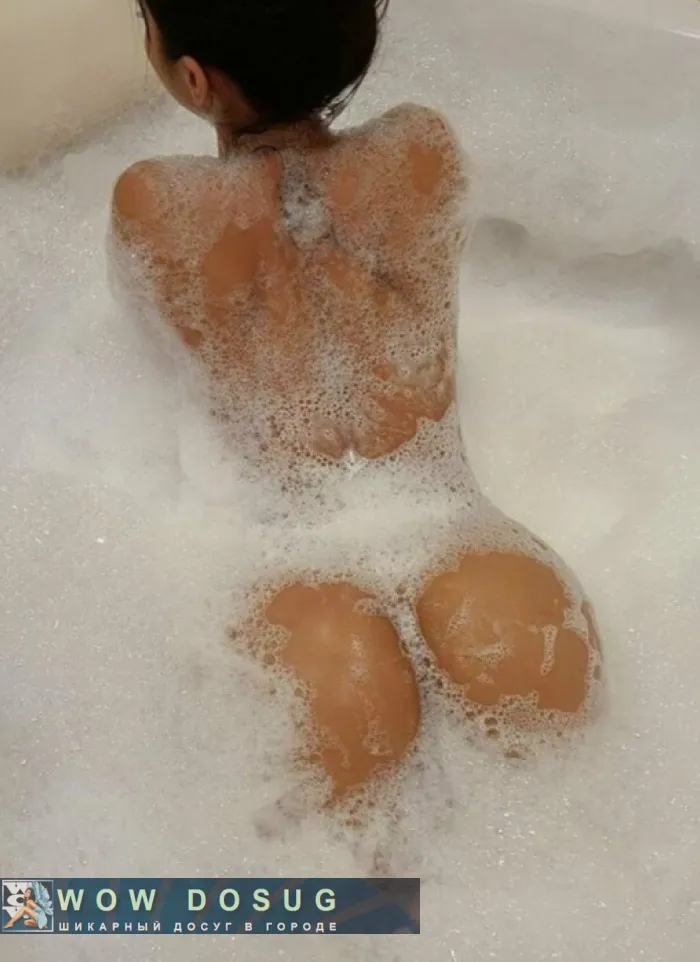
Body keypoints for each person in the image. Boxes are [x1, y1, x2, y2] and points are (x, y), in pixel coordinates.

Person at [112, 0, 603, 807]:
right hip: (476, 554)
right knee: (566, 807)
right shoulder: (423, 151)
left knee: (345, 850)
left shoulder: (153, 204)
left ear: (194, 79)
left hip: (294, 587)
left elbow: (167, 350)